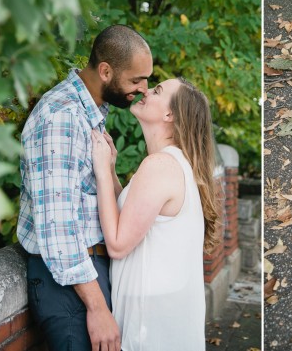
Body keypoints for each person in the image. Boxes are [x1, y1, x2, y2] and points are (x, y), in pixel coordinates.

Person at [17, 24, 153, 350]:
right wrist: (96, 307)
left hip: (87, 271)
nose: (144, 89)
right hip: (67, 285)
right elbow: (59, 227)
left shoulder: (87, 112)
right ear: (105, 71)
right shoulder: (62, 117)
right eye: (136, 80)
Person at [91, 77, 220, 351]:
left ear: (169, 114)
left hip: (150, 324)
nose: (146, 90)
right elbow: (128, 219)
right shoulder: (171, 163)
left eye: (158, 90)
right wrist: (112, 172)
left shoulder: (160, 165)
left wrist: (102, 172)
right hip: (160, 315)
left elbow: (117, 243)